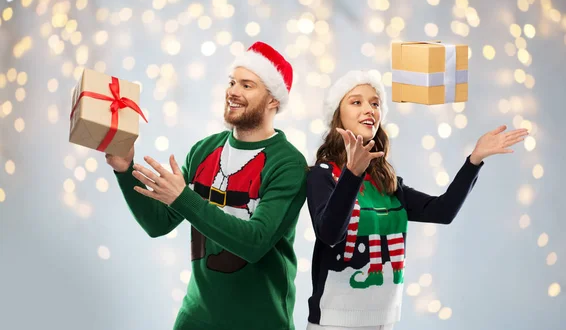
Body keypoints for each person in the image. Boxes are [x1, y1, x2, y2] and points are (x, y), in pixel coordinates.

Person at [106, 41, 307, 330]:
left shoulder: (288, 164)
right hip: (195, 319)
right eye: (232, 82)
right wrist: (124, 170)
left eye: (247, 85)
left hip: (260, 322)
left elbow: (255, 243)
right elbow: (157, 223)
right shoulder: (204, 151)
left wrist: (184, 198)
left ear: (273, 100)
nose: (233, 91)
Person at [305, 70, 528, 329]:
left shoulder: (386, 181)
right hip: (333, 323)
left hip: (384, 321)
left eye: (375, 103)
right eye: (356, 102)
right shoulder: (322, 175)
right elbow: (330, 234)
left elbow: (443, 211)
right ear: (337, 118)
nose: (369, 109)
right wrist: (352, 175)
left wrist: (474, 160)